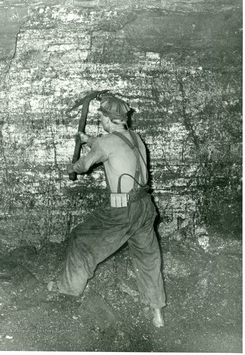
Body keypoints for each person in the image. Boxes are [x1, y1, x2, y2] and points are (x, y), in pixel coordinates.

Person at [48, 94, 166, 327]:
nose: (99, 119)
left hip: (122, 209)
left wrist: (72, 166)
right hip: (145, 207)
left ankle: (67, 289)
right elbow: (113, 147)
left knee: (81, 238)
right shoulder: (135, 137)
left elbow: (84, 165)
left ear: (110, 120)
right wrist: (88, 139)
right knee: (148, 258)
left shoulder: (105, 143)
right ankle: (157, 313)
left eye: (101, 116)